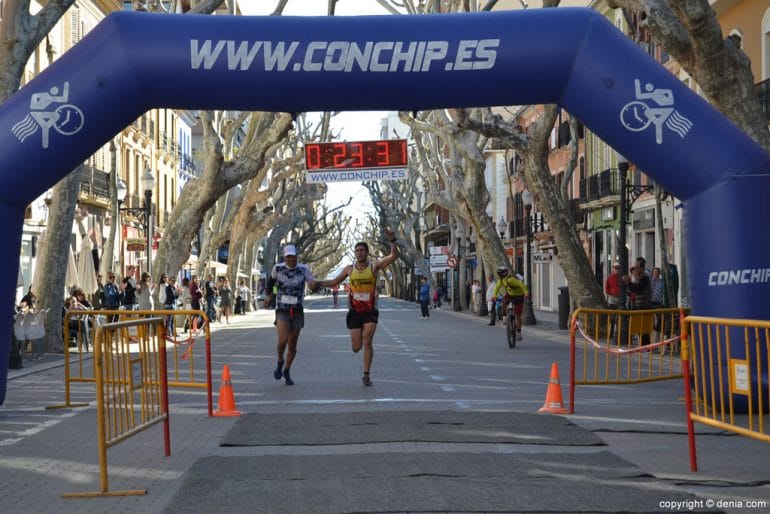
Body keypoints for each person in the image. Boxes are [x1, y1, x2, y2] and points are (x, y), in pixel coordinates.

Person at [317, 229, 398, 386]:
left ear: (367, 253)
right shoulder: (349, 269)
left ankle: (366, 375)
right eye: (357, 250)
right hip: (354, 312)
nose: (359, 253)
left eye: (362, 250)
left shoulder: (374, 267)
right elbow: (334, 282)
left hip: (370, 311)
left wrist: (393, 241)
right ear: (355, 253)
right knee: (357, 347)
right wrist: (317, 282)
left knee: (367, 341)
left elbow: (393, 256)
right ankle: (359, 337)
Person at [263, 244, 319, 386]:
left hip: (297, 310)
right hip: (282, 309)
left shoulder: (303, 269)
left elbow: (311, 282)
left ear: (296, 256)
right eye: (288, 257)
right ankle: (280, 360)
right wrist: (268, 296)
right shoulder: (278, 268)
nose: (291, 259)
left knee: (293, 345)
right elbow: (270, 282)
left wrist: (313, 285)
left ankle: (287, 370)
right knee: (283, 340)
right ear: (285, 257)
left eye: (293, 256)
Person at [492, 266, 529, 341]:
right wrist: (494, 296)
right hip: (510, 294)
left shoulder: (511, 280)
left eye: (500, 274)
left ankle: (519, 332)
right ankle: (505, 317)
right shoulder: (501, 280)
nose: (499, 275)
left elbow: (522, 285)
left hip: (519, 295)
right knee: (503, 301)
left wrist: (526, 294)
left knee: (517, 315)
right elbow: (496, 287)